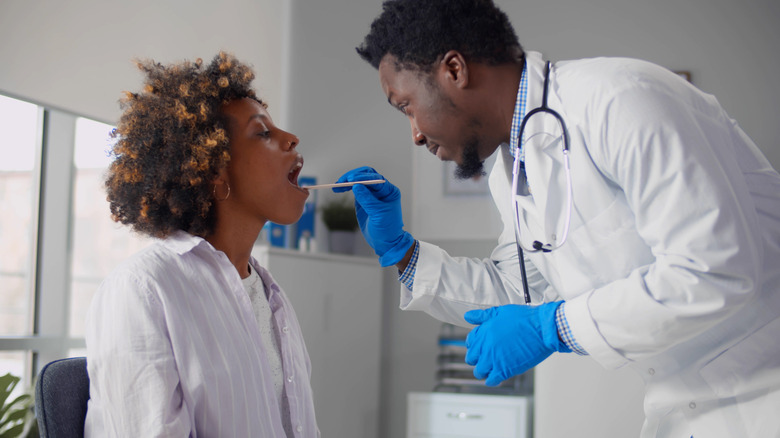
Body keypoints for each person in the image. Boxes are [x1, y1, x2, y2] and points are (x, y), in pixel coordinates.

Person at [335, 0, 780, 436]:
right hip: (689, 407)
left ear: (455, 69)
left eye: (407, 106)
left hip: (766, 394)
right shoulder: (512, 165)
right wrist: (403, 253)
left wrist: (555, 327)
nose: (414, 134)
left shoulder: (620, 100)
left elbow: (714, 270)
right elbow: (521, 291)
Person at [84, 52, 319, 437]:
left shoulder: (268, 294)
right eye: (262, 132)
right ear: (210, 170)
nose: (291, 138)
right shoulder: (142, 290)